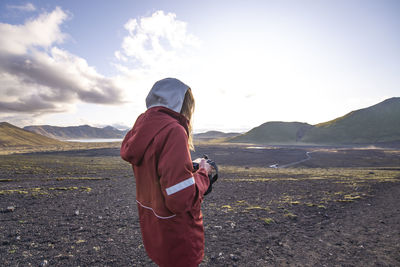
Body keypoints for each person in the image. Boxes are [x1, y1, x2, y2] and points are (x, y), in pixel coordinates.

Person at [120, 78, 213, 267]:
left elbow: (158, 177)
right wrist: (203, 173)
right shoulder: (173, 131)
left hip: (156, 232)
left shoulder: (140, 130)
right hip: (178, 237)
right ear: (182, 104)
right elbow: (180, 199)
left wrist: (188, 171)